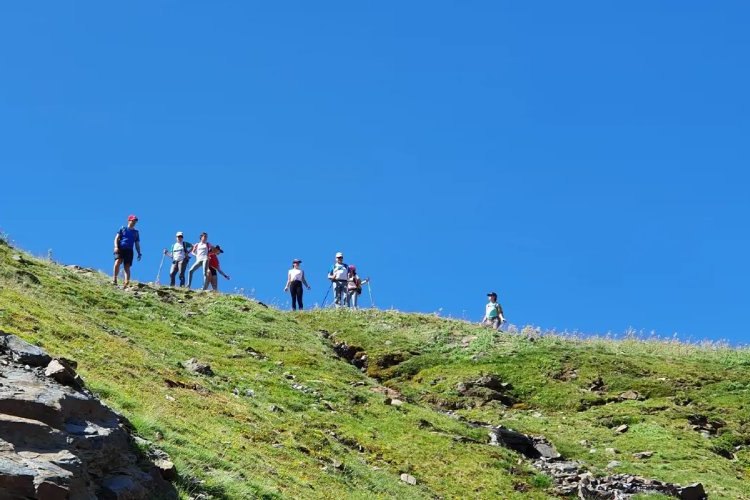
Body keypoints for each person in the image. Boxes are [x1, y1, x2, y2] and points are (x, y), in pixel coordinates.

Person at [113, 215, 142, 287]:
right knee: (117, 262)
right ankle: (114, 279)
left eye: (135, 221)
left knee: (127, 266)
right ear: (129, 220)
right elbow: (116, 238)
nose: (134, 222)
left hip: (129, 250)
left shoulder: (136, 232)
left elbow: (137, 243)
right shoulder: (123, 229)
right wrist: (116, 247)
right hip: (121, 248)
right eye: (133, 220)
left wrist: (139, 252)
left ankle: (126, 283)